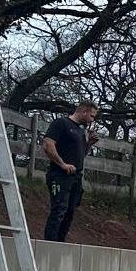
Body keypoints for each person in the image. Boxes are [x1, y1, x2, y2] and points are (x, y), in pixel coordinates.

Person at [41, 100, 98, 242]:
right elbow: (48, 144)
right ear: (83, 111)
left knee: (70, 212)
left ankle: (61, 242)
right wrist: (62, 164)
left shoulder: (80, 131)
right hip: (60, 175)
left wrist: (89, 143)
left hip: (76, 177)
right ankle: (50, 243)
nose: (92, 120)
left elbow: (80, 155)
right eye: (91, 116)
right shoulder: (61, 123)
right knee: (59, 209)